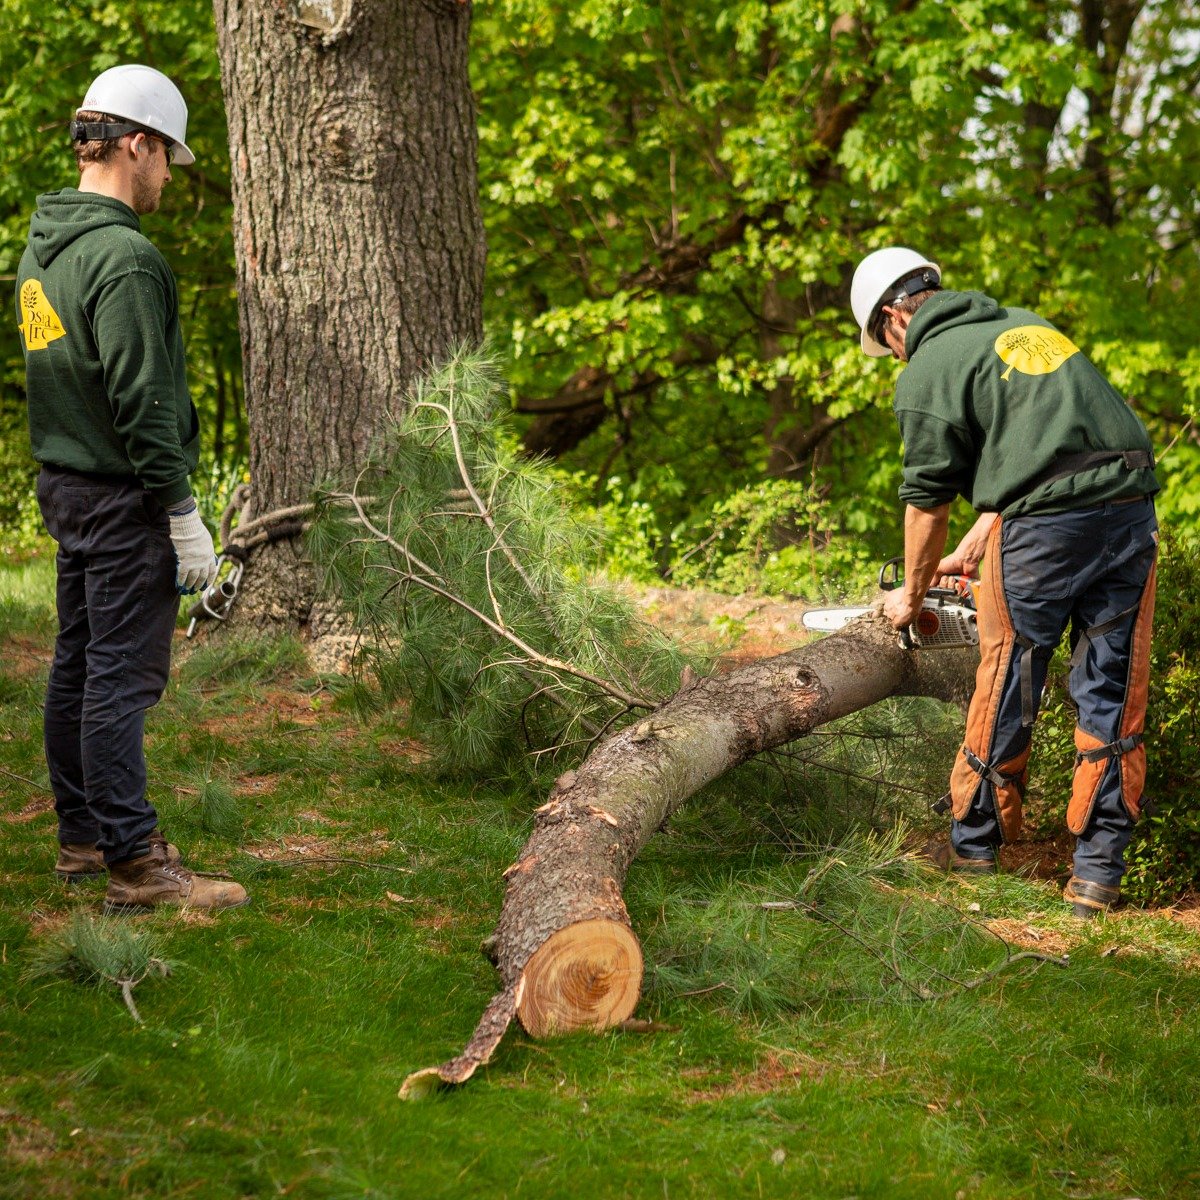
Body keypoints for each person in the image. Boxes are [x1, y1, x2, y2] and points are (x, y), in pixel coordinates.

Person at [850, 247, 1159, 918]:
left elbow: (926, 500)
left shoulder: (929, 366)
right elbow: (1060, 455)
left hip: (1048, 531)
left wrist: (912, 591)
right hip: (1131, 513)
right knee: (1112, 684)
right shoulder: (1023, 324)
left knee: (1010, 673)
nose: (895, 358)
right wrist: (981, 538)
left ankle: (974, 855)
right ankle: (1097, 879)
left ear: (892, 318)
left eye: (886, 344)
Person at [15, 64, 247, 913]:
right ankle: (136, 863)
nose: (165, 181)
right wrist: (183, 515)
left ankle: (81, 839)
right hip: (121, 499)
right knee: (119, 677)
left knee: (76, 667)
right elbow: (142, 402)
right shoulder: (124, 258)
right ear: (136, 144)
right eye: (164, 160)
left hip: (67, 487)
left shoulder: (43, 251)